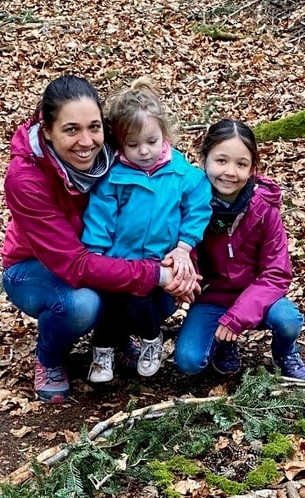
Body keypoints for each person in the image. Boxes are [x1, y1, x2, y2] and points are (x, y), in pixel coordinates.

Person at [0, 75, 195, 403]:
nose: (86, 141)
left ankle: (115, 340)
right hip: (34, 268)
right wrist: (158, 273)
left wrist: (182, 255)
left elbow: (170, 173)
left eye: (94, 127)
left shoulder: (116, 149)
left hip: (104, 256)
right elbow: (75, 264)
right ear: (47, 130)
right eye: (71, 129)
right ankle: (49, 359)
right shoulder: (25, 180)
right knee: (82, 304)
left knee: (158, 299)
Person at [80, 82, 211, 381]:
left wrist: (184, 245)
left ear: (164, 135)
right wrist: (96, 252)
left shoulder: (181, 173)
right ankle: (102, 350)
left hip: (159, 260)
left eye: (151, 141)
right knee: (111, 303)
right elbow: (100, 215)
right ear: (120, 143)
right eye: (133, 144)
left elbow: (198, 205)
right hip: (119, 261)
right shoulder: (113, 177)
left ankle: (152, 340)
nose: (144, 151)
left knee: (143, 303)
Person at [172, 120, 305, 381]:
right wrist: (186, 280)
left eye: (241, 164)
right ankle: (224, 343)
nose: (230, 172)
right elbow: (185, 256)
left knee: (288, 319)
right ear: (204, 160)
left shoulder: (264, 210)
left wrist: (238, 316)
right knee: (188, 362)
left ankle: (284, 352)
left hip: (257, 295)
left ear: (252, 168)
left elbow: (276, 274)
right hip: (212, 299)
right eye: (221, 161)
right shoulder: (190, 206)